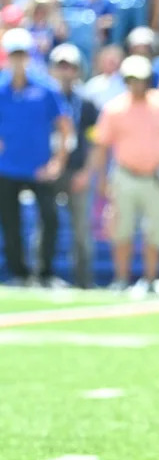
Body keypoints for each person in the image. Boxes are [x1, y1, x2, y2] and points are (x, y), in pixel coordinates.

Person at [91, 55, 159, 293]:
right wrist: (103, 179)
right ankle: (121, 279)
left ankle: (150, 280)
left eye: (141, 79)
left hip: (156, 177)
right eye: (132, 80)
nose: (137, 84)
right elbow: (102, 145)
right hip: (125, 175)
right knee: (121, 229)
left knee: (155, 230)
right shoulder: (114, 108)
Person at [0, 28, 72, 286]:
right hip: (7, 167)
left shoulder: (46, 88)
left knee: (50, 219)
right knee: (10, 222)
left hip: (39, 167)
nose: (18, 60)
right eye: (14, 54)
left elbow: (65, 126)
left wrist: (58, 162)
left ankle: (45, 272)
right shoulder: (0, 88)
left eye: (22, 54)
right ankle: (18, 273)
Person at [49, 43, 100, 289]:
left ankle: (84, 282)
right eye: (61, 66)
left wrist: (86, 172)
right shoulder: (44, 97)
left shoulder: (87, 102)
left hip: (77, 170)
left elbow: (95, 143)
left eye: (70, 66)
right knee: (45, 225)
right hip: (50, 171)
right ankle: (40, 276)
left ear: (79, 70)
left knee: (81, 230)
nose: (65, 71)